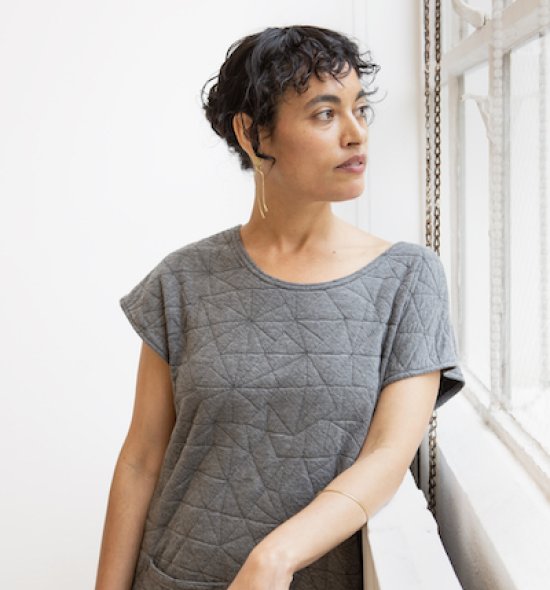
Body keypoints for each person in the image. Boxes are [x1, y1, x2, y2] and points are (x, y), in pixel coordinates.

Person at [95, 24, 466, 590]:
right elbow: (141, 459)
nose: (355, 133)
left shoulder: (408, 279)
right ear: (252, 133)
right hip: (173, 576)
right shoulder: (181, 281)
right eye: (324, 113)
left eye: (359, 108)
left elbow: (390, 454)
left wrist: (276, 556)